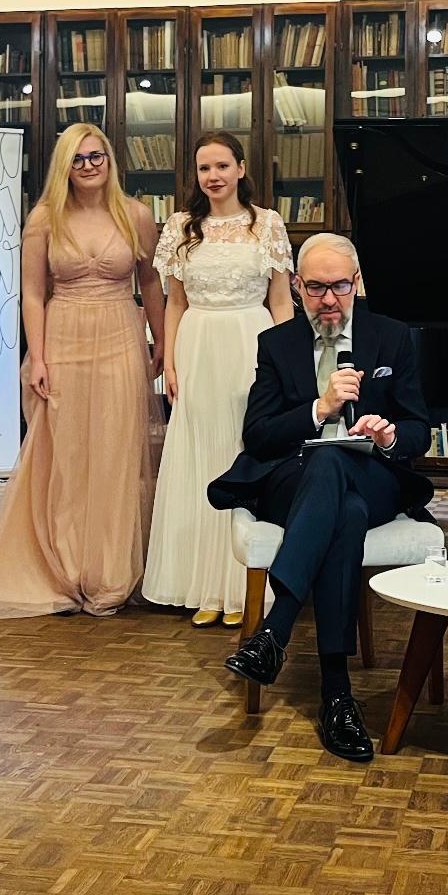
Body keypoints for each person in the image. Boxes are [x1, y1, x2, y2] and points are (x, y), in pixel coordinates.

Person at [206, 232, 433, 762]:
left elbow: (419, 428)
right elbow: (258, 435)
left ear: (357, 283)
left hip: (373, 474)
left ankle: (274, 632)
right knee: (343, 507)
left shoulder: (392, 337)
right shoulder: (276, 343)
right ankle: (336, 695)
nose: (328, 300)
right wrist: (318, 409)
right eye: (315, 288)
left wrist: (388, 436)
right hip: (296, 477)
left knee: (343, 479)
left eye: (339, 287)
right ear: (296, 286)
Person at [0, 123, 165, 618]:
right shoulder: (44, 218)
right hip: (64, 338)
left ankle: (110, 574)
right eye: (78, 159)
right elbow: (33, 294)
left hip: (120, 337)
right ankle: (68, 569)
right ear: (65, 167)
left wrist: (162, 341)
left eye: (96, 156)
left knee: (117, 454)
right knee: (68, 458)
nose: (89, 166)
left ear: (109, 160)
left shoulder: (136, 215)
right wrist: (38, 357)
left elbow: (150, 282)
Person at [142, 132, 295, 626]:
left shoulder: (266, 224)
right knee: (199, 455)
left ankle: (243, 584)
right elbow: (175, 303)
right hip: (198, 345)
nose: (213, 176)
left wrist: (290, 363)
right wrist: (169, 362)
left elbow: (280, 302)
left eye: (222, 166)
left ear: (241, 169)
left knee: (244, 449)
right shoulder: (180, 227)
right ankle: (203, 586)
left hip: (252, 341)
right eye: (204, 168)